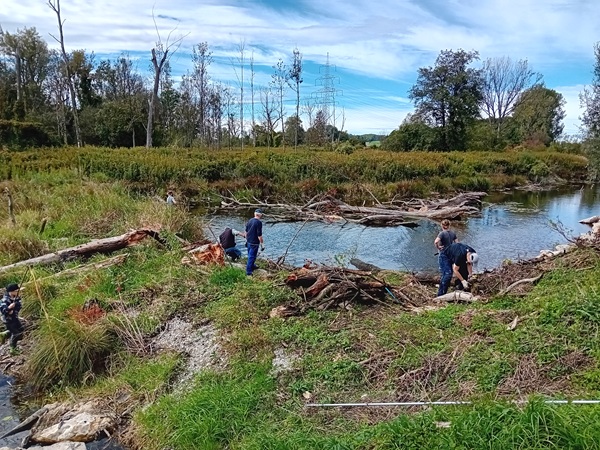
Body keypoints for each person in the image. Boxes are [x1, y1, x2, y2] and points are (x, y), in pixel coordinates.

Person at [434, 219, 458, 296]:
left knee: (446, 274)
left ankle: (441, 293)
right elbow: (457, 244)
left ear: (442, 226)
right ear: (449, 225)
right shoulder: (453, 233)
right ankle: (443, 292)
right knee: (449, 274)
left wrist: (438, 247)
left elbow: (436, 241)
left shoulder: (442, 233)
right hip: (450, 255)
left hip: (443, 255)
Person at [0, 283, 24, 355]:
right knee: (16, 334)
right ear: (11, 291)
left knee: (21, 329)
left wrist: (15, 306)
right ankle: (12, 349)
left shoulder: (16, 298)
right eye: (16, 291)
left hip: (14, 317)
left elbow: (19, 306)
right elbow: (3, 310)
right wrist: (9, 308)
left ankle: (4, 334)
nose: (18, 292)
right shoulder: (4, 300)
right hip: (8, 320)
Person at [245, 209, 265, 276]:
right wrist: (262, 244)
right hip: (254, 242)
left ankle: (252, 265)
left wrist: (247, 240)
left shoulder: (250, 220)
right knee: (252, 257)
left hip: (249, 241)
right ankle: (249, 272)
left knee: (250, 255)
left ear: (254, 214)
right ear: (260, 215)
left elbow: (246, 231)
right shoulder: (258, 223)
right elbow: (259, 235)